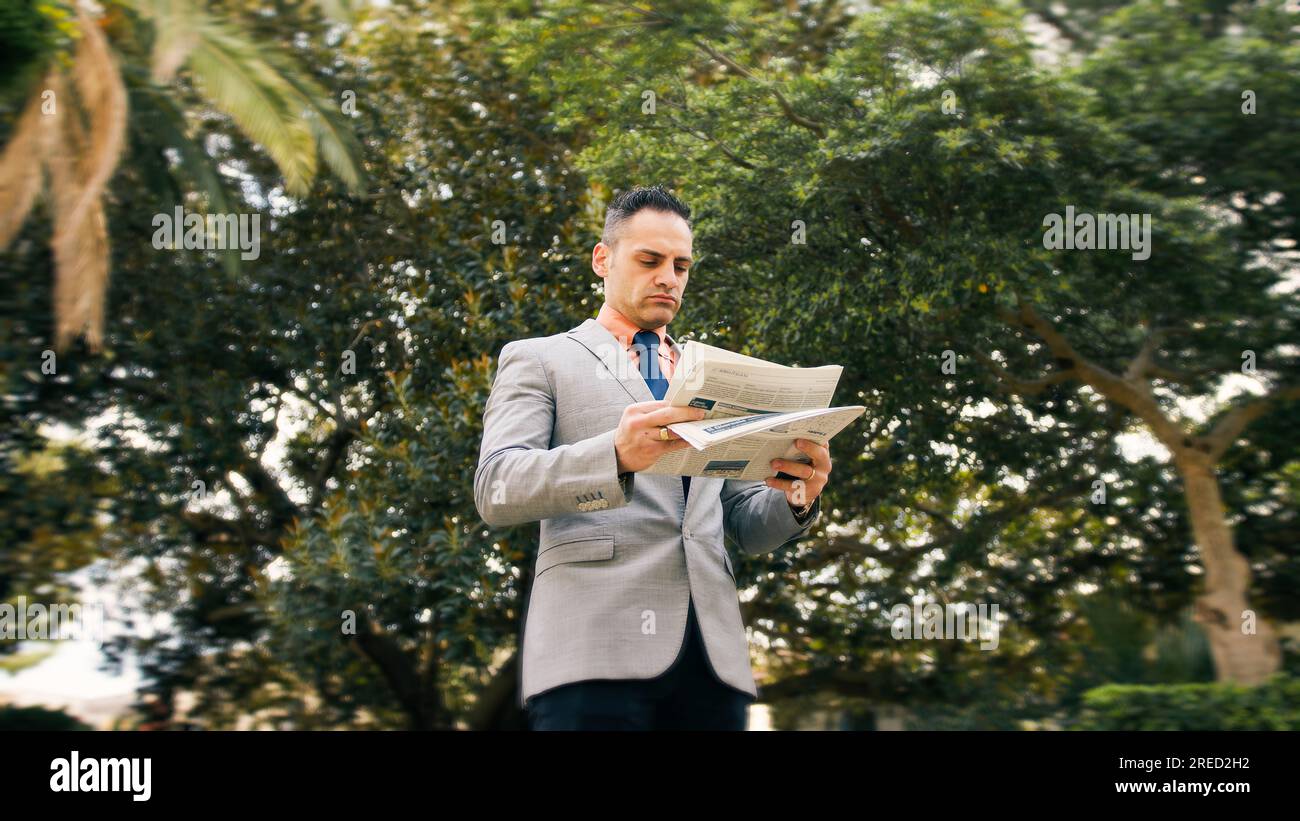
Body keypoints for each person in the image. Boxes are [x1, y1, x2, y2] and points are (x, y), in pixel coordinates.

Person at [474, 185, 832, 730]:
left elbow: (746, 526)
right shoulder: (539, 359)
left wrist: (798, 495)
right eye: (650, 260)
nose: (669, 277)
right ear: (603, 259)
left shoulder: (717, 374)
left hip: (713, 664)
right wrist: (615, 454)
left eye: (681, 265)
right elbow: (497, 487)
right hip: (593, 652)